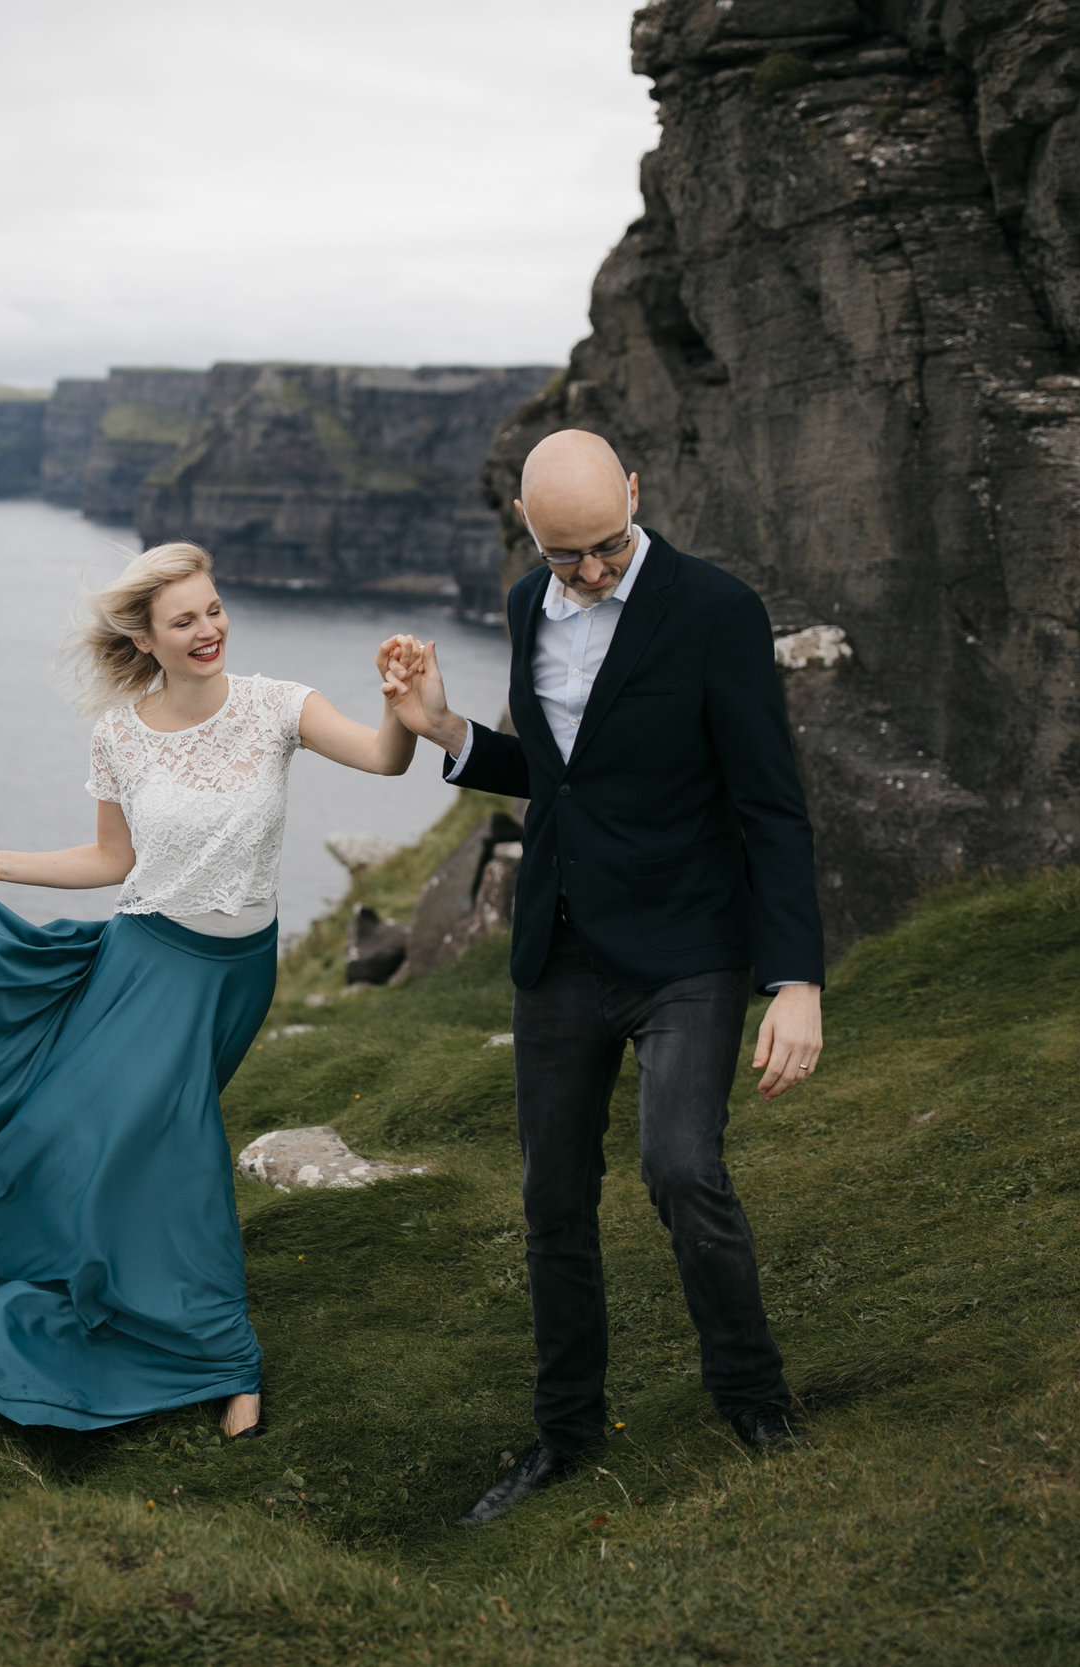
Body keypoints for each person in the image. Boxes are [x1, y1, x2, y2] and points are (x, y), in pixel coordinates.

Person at [0, 541, 419, 1439]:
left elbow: (383, 758)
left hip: (232, 973)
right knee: (152, 1147)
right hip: (144, 958)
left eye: (213, 609)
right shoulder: (120, 732)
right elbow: (114, 860)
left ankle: (182, 1330)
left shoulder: (279, 706)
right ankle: (220, 1354)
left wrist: (402, 709)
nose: (208, 629)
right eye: (185, 620)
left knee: (146, 1141)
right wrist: (2, 862)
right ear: (147, 636)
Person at [376, 428, 826, 1525]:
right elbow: (555, 775)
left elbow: (768, 802)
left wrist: (796, 981)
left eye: (605, 546)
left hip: (688, 944)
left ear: (635, 491)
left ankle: (757, 1405)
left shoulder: (716, 609)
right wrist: (442, 726)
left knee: (681, 1167)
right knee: (548, 1200)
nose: (587, 572)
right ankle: (564, 1433)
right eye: (562, 553)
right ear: (530, 533)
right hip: (562, 945)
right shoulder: (532, 606)